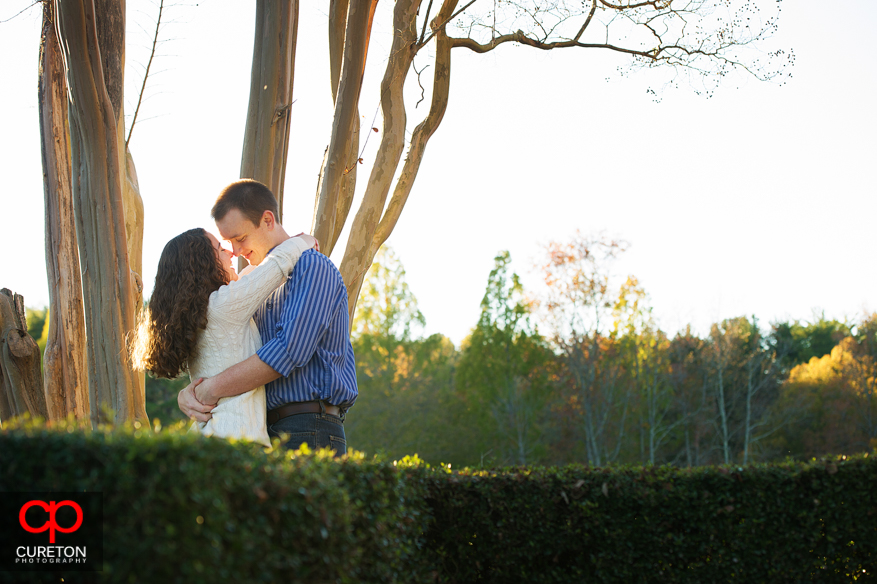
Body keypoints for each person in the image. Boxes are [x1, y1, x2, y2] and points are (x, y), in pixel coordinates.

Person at [178, 179, 358, 455]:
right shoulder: (254, 286)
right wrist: (189, 392)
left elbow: (289, 350)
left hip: (309, 426)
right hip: (262, 428)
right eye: (228, 243)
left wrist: (211, 388)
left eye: (240, 239)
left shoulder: (312, 267)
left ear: (267, 220)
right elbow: (229, 352)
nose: (236, 252)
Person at [135, 227, 315, 446]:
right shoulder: (223, 306)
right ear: (203, 264)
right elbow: (277, 264)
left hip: (211, 438)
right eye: (220, 249)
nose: (231, 253)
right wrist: (306, 239)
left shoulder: (202, 312)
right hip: (236, 440)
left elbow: (255, 273)